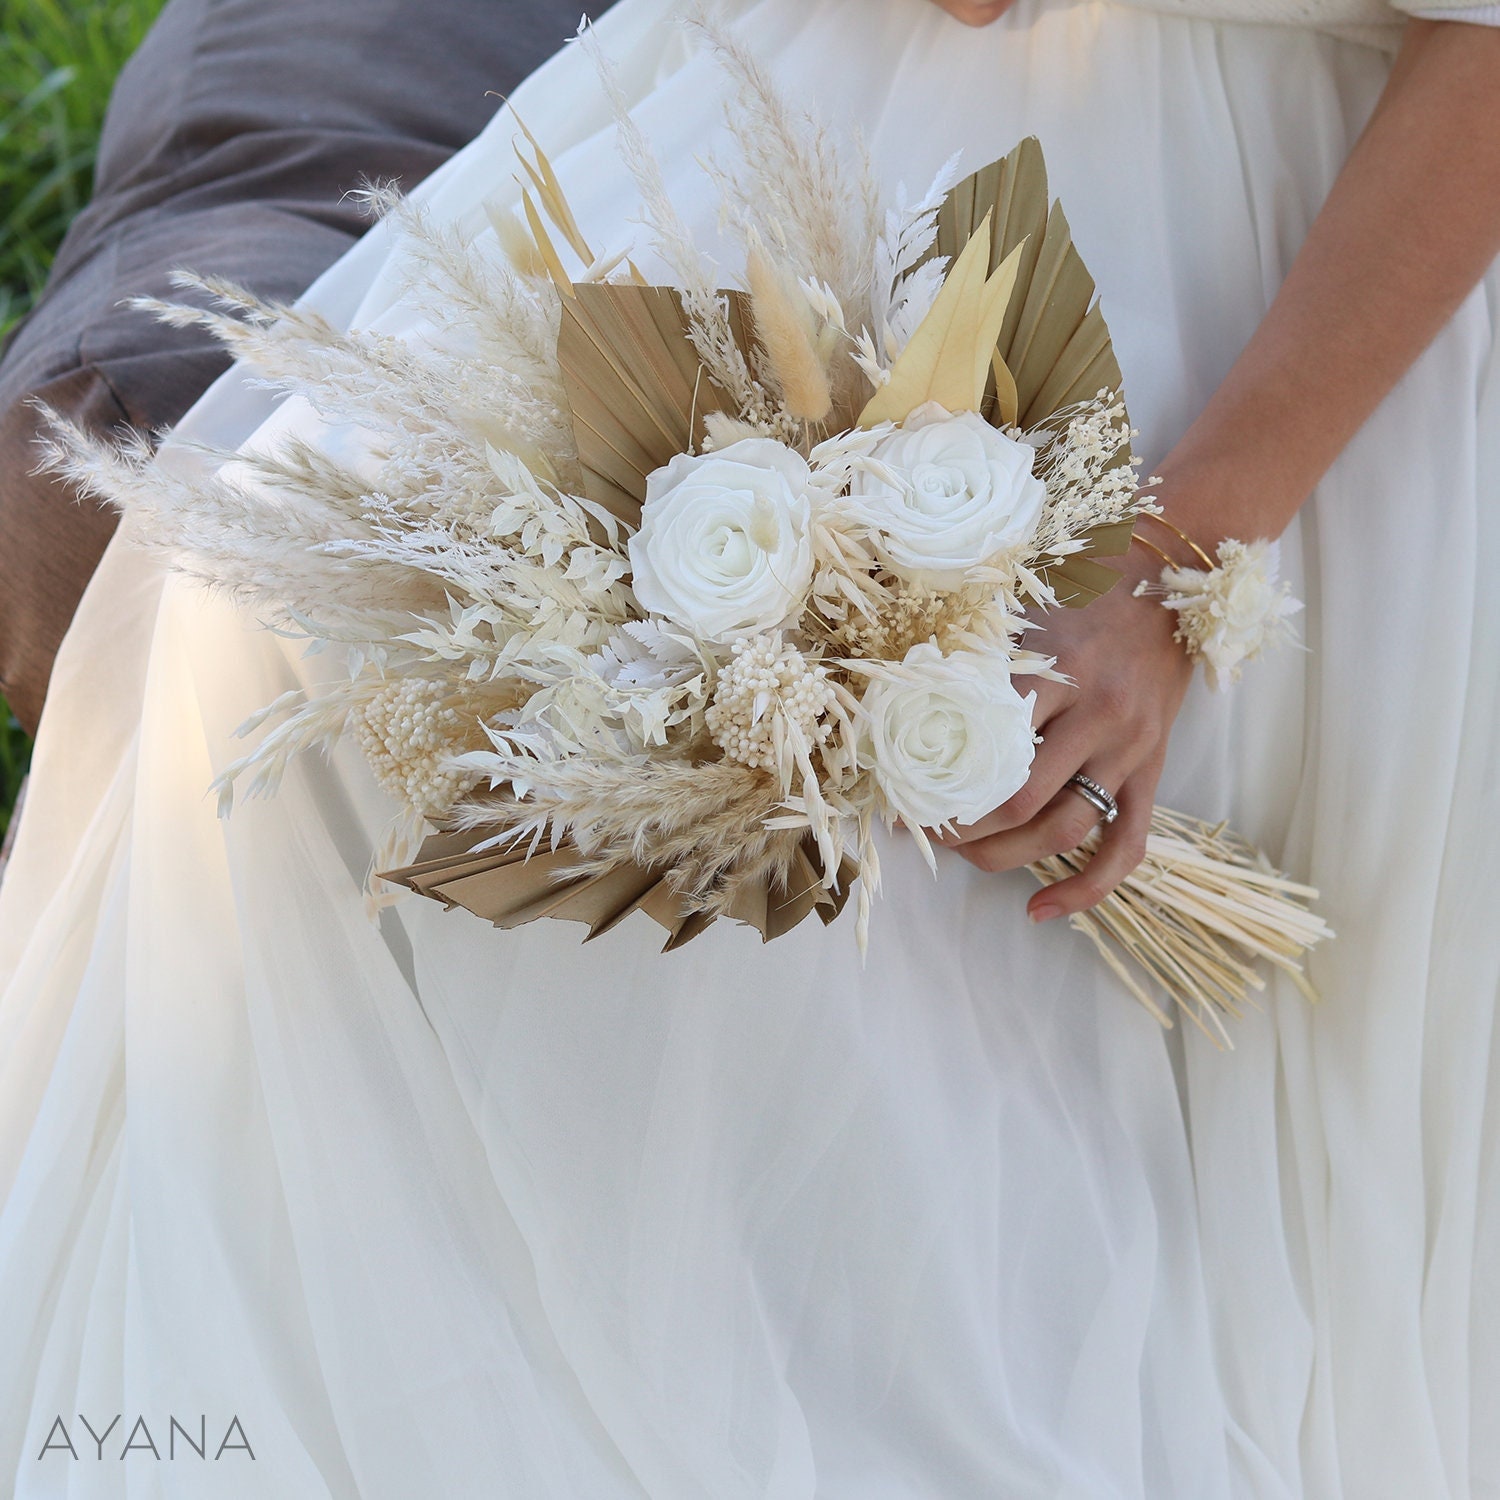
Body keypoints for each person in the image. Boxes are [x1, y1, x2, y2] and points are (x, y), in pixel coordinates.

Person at [1, 0, 1497, 1495]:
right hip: (832, 86)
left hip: (1269, 283)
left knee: (891, 990)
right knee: (264, 634)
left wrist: (1173, 570)